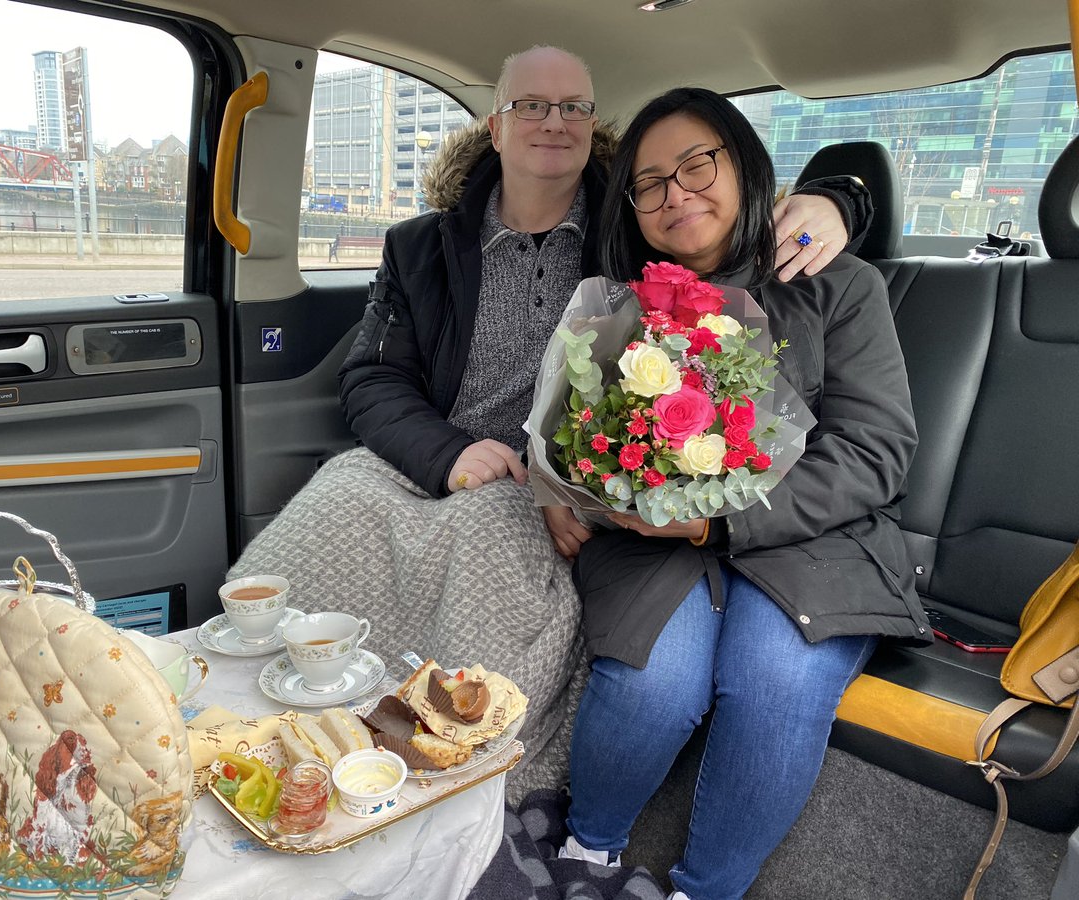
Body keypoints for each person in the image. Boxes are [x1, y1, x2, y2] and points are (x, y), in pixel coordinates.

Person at [231, 47, 870, 799]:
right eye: (531, 105)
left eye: (573, 106)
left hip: (554, 480)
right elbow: (372, 376)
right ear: (495, 126)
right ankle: (268, 713)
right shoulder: (420, 246)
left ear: (593, 127)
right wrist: (449, 454)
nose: (553, 121)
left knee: (488, 555)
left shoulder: (637, 231)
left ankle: (448, 772)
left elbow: (742, 219)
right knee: (335, 500)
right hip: (438, 453)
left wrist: (841, 199)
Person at [556, 87, 929, 899]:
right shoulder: (622, 303)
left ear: (746, 164)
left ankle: (706, 888)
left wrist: (718, 523)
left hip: (814, 541)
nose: (675, 193)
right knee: (653, 683)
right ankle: (584, 856)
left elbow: (874, 452)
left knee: (775, 682)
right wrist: (574, 486)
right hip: (656, 536)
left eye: (697, 164)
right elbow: (578, 436)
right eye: (649, 182)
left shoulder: (840, 285)